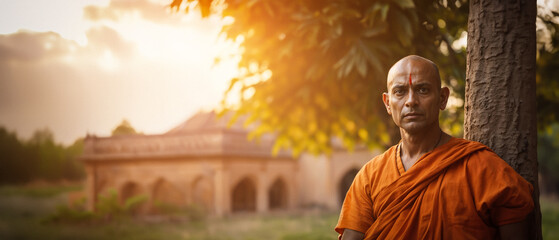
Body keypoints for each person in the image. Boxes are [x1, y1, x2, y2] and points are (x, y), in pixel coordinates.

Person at [335, 55, 534, 240]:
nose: (411, 101)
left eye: (422, 90)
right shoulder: (369, 177)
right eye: (400, 91)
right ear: (388, 103)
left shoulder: (482, 168)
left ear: (442, 98)